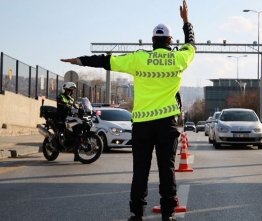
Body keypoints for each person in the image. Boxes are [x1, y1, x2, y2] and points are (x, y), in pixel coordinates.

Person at [61, 1, 195, 220]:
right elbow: (191, 44)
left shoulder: (138, 58)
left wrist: (79, 60)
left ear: (153, 41)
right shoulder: (179, 58)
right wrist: (186, 21)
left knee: (140, 171)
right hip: (167, 124)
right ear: (170, 41)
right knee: (167, 169)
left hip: (142, 125)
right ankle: (168, 213)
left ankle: (136, 214)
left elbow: (106, 61)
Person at [56, 82, 78, 160]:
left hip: (69, 118)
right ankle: (58, 143)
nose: (70, 92)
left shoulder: (72, 99)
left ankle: (77, 155)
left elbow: (76, 106)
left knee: (76, 134)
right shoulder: (60, 96)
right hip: (61, 117)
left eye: (71, 91)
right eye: (68, 90)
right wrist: (65, 104)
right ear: (64, 90)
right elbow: (59, 101)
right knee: (61, 128)